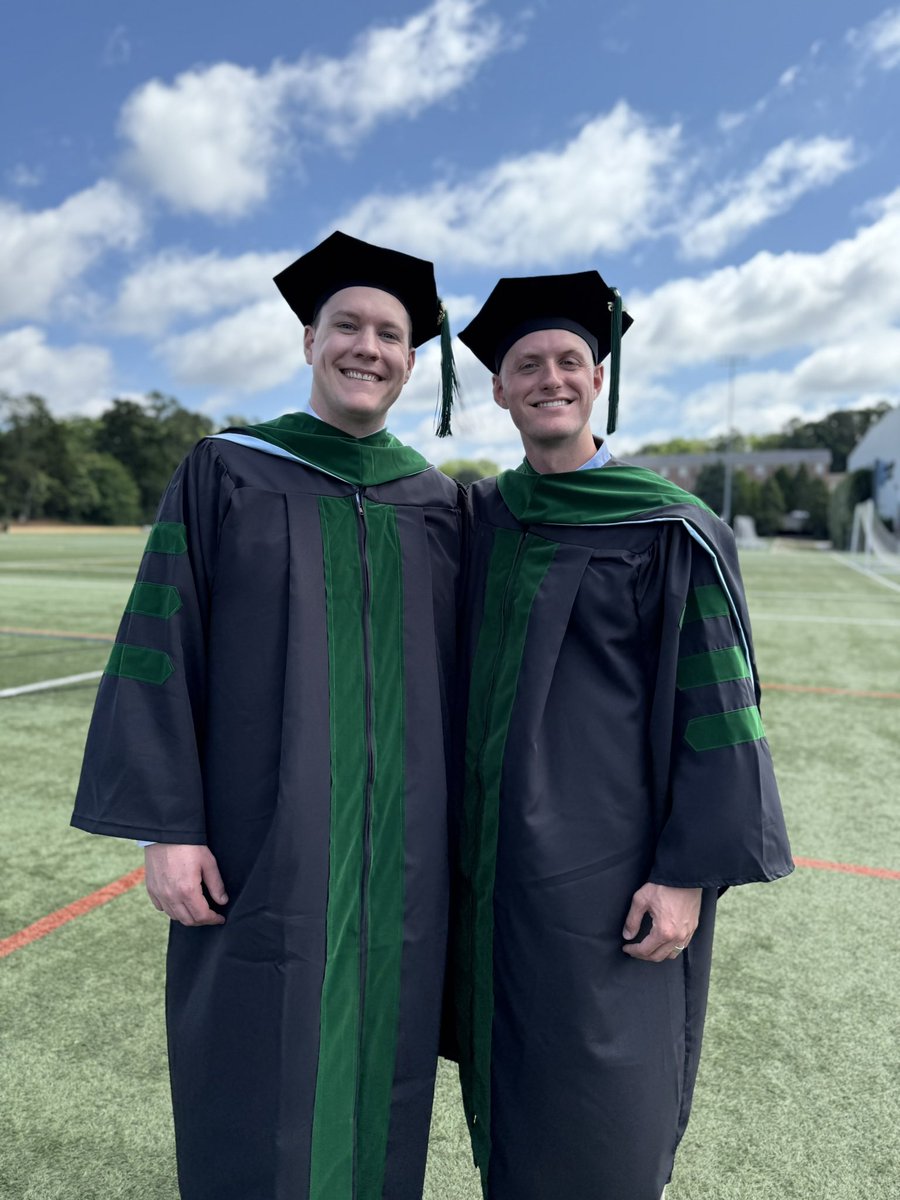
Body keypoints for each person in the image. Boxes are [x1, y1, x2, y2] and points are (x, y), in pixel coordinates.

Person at [71, 231, 463, 1200]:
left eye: (390, 334)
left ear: (412, 362)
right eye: (347, 327)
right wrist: (168, 829)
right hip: (260, 848)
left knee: (382, 1080)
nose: (367, 347)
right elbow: (162, 642)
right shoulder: (227, 472)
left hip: (402, 863)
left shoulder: (439, 503)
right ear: (308, 341)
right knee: (254, 1072)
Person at [452, 271, 793, 1200]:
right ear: (499, 389)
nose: (550, 378)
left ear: (598, 379)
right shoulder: (482, 518)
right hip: (495, 868)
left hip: (615, 870)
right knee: (511, 1079)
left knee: (608, 1093)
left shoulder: (669, 529)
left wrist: (687, 875)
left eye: (569, 360)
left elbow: (721, 710)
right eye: (527, 365)